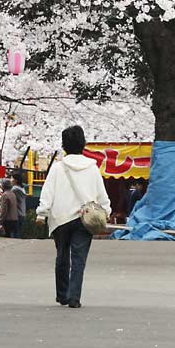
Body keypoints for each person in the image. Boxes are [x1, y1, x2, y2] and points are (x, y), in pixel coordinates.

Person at [36, 125, 110, 309]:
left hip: (61, 218)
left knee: (62, 255)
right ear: (83, 143)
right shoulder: (92, 168)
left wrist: (42, 212)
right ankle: (74, 297)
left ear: (64, 145)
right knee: (79, 258)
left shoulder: (58, 168)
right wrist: (106, 211)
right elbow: (102, 195)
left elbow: (48, 193)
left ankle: (62, 294)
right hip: (85, 218)